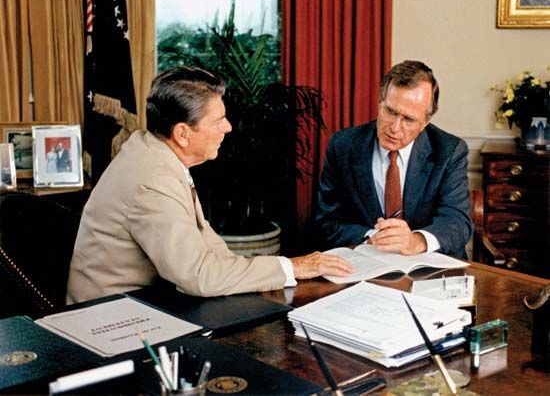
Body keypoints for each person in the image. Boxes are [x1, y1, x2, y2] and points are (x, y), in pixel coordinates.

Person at [67, 66, 352, 304]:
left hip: (149, 301)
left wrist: (281, 269)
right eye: (218, 120)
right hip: (112, 320)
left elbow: (208, 247)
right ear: (182, 133)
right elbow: (201, 276)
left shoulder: (152, 150)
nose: (228, 127)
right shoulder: (154, 182)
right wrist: (294, 267)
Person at [315, 60, 472, 257]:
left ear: (425, 122)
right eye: (390, 112)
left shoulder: (450, 151)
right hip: (366, 263)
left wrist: (415, 241)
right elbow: (327, 221)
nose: (395, 128)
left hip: (429, 268)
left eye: (409, 119)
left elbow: (457, 221)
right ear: (380, 104)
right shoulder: (343, 146)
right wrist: (373, 237)